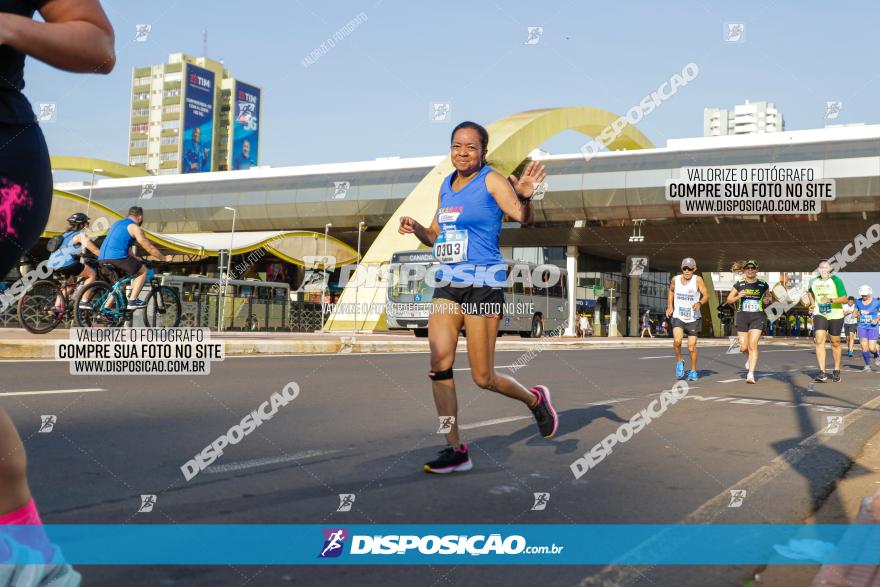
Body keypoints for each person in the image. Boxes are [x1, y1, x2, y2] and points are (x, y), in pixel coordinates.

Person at [0, 1, 115, 582]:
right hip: (64, 260)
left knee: (103, 274)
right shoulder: (78, 239)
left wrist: (7, 26)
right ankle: (30, 562)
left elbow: (98, 46)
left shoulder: (113, 231)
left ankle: (29, 566)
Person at [398, 121, 556, 474]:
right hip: (449, 282)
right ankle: (454, 448)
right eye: (457, 146)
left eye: (471, 147)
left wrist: (526, 196)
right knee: (439, 366)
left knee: (483, 378)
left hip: (484, 282)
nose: (463, 152)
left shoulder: (492, 180)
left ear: (483, 151)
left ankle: (534, 400)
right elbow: (436, 234)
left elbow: (521, 217)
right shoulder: (446, 186)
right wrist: (418, 228)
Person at [97, 206, 172, 308]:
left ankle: (106, 309)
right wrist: (164, 258)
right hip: (117, 258)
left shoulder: (117, 224)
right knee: (143, 271)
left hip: (102, 258)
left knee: (120, 284)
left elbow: (123, 246)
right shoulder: (134, 228)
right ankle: (132, 301)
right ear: (140, 217)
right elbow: (149, 248)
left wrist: (135, 258)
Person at [726, 260, 773, 384]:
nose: (750, 270)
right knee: (742, 347)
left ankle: (751, 374)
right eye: (748, 268)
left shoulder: (763, 284)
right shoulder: (739, 284)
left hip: (758, 317)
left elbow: (768, 297)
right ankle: (748, 358)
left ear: (757, 270)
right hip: (742, 317)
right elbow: (729, 299)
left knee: (753, 345)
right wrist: (738, 296)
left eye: (753, 268)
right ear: (745, 270)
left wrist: (768, 300)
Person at [666, 257, 708, 381]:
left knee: (691, 347)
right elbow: (671, 291)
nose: (687, 271)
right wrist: (670, 306)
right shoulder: (675, 279)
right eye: (685, 268)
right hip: (678, 315)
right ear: (682, 269)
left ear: (694, 269)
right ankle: (679, 361)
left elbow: (706, 295)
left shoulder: (697, 280)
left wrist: (699, 303)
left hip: (693, 318)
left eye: (690, 268)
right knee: (677, 341)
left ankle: (693, 370)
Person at [47, 212, 100, 308]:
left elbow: (70, 250)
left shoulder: (65, 235)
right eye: (86, 224)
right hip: (66, 264)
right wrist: (105, 257)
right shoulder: (80, 235)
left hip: (52, 264)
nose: (87, 226)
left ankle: (55, 309)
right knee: (91, 274)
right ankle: (84, 301)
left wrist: (82, 254)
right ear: (82, 225)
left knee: (70, 285)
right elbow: (95, 250)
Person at [807, 261, 849, 382]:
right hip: (820, 313)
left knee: (835, 342)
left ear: (830, 269)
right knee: (819, 340)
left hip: (835, 314)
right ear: (818, 269)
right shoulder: (813, 281)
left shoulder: (836, 280)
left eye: (826, 267)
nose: (823, 269)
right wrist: (813, 304)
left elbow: (845, 299)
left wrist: (831, 300)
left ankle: (836, 369)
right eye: (821, 267)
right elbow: (809, 291)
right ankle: (822, 372)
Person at [853, 286, 880, 372]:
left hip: (873, 327)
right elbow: (855, 312)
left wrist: (877, 319)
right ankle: (867, 366)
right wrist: (856, 315)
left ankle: (876, 355)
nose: (864, 297)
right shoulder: (858, 301)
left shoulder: (876, 302)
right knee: (864, 348)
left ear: (869, 293)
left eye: (865, 295)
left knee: (872, 348)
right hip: (862, 327)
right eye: (862, 295)